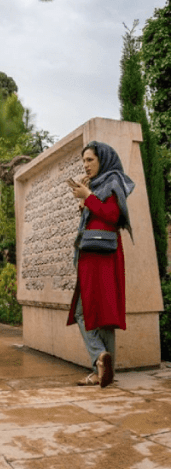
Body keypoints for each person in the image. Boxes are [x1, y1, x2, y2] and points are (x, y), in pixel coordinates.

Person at [65, 141, 133, 388]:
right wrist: (84, 201)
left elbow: (113, 216)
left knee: (83, 311)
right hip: (92, 254)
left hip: (103, 255)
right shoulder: (97, 185)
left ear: (103, 159)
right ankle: (104, 370)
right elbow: (95, 215)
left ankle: (99, 358)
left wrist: (89, 197)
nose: (86, 165)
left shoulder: (114, 181)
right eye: (84, 161)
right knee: (101, 313)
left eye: (90, 160)